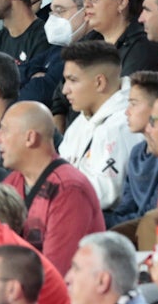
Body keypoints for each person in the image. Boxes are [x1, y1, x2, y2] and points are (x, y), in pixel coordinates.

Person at [0, 101, 103, 274]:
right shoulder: (12, 182)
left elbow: (57, 275)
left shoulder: (69, 190)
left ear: (30, 138)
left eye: (4, 130)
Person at [58, 42, 139, 216]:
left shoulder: (124, 124)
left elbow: (107, 194)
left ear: (99, 82)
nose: (65, 90)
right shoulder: (82, 119)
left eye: (72, 80)